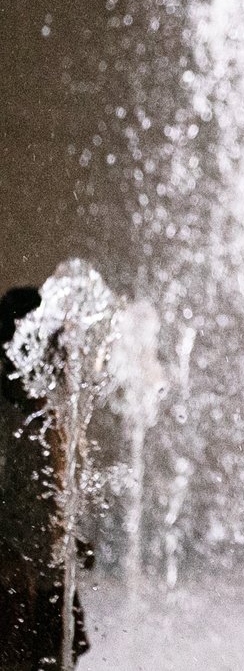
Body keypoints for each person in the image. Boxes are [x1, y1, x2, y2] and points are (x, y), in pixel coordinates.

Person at [0, 287, 90, 671]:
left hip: (50, 581)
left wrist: (71, 540)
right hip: (13, 591)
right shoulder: (7, 419)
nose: (63, 357)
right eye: (53, 343)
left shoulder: (49, 416)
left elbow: (44, 497)